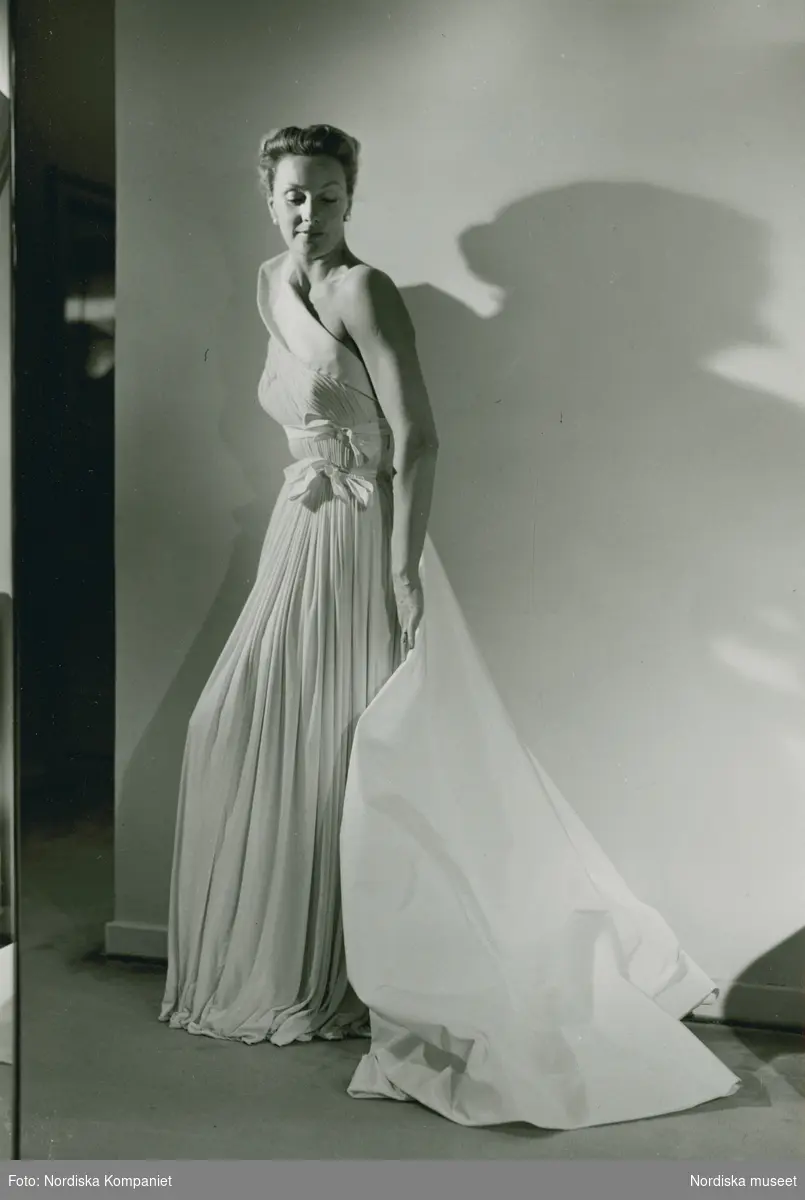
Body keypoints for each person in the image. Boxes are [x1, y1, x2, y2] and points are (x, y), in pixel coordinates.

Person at [160, 123, 741, 1129]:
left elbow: (418, 436)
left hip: (366, 538)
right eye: (294, 194)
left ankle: (342, 975)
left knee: (354, 746)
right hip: (300, 528)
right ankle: (293, 967)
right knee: (248, 730)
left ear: (352, 199)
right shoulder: (268, 283)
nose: (309, 213)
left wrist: (400, 564)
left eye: (328, 195)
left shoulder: (364, 290)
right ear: (268, 194)